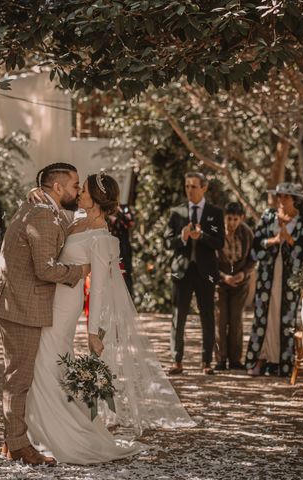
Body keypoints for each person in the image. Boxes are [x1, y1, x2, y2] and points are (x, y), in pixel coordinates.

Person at [25, 172, 193, 465]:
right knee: (47, 362)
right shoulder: (76, 219)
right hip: (49, 297)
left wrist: (93, 333)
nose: (79, 193)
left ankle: (67, 436)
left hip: (67, 304)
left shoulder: (102, 237)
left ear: (98, 198)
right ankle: (40, 431)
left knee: (46, 362)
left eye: (85, 190)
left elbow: (100, 289)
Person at [0, 162, 89, 466]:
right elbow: (45, 269)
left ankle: (11, 441)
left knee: (17, 374)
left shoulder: (42, 207)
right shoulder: (42, 212)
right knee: (19, 378)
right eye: (74, 185)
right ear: (57, 187)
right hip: (21, 303)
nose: (77, 191)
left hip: (15, 299)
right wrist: (80, 272)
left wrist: (75, 227)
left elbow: (50, 238)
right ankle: (19, 446)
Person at [246, 182, 303, 377]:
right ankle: (260, 360)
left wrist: (289, 240)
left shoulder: (302, 221)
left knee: (285, 317)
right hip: (267, 277)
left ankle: (282, 364)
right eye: (279, 196)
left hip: (290, 279)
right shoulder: (268, 217)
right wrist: (273, 241)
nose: (281, 200)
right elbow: (255, 246)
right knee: (263, 316)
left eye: (285, 196)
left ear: (294, 200)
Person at [164, 172, 225, 375]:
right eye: (187, 186)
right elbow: (166, 242)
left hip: (205, 272)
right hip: (181, 272)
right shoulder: (177, 212)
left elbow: (220, 242)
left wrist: (203, 236)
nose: (189, 190)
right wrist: (181, 238)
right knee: (177, 317)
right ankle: (176, 360)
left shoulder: (215, 212)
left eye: (193, 186)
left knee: (207, 317)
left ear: (204, 187)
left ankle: (207, 362)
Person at [215, 202, 255, 371]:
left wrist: (243, 274)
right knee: (220, 320)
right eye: (229, 218)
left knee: (236, 319)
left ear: (241, 219)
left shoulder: (247, 233)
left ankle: (235, 360)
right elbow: (208, 261)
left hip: (240, 281)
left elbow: (253, 258)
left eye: (235, 219)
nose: (231, 223)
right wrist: (224, 277)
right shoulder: (215, 232)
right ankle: (220, 359)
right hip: (220, 282)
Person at [107, 205, 135, 296]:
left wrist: (118, 212)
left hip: (123, 250)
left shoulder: (124, 209)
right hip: (108, 251)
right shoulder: (102, 209)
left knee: (125, 277)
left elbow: (130, 223)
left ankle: (128, 305)